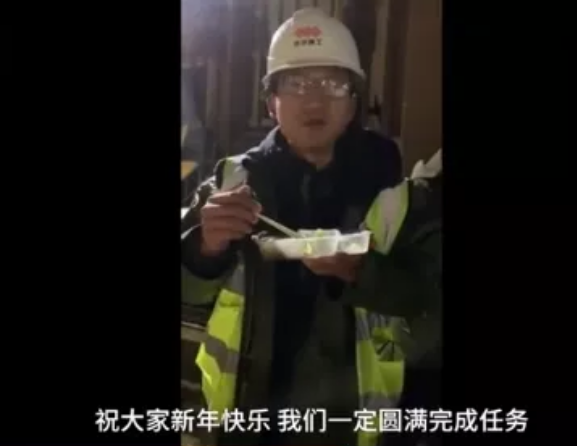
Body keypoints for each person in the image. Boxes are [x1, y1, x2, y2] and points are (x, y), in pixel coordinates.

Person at [182, 8, 438, 446]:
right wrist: (205, 248)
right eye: (296, 84)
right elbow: (187, 294)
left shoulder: (398, 197)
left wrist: (361, 273)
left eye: (333, 84)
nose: (314, 101)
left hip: (357, 429)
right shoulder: (229, 184)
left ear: (354, 101)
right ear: (271, 102)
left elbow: (430, 308)